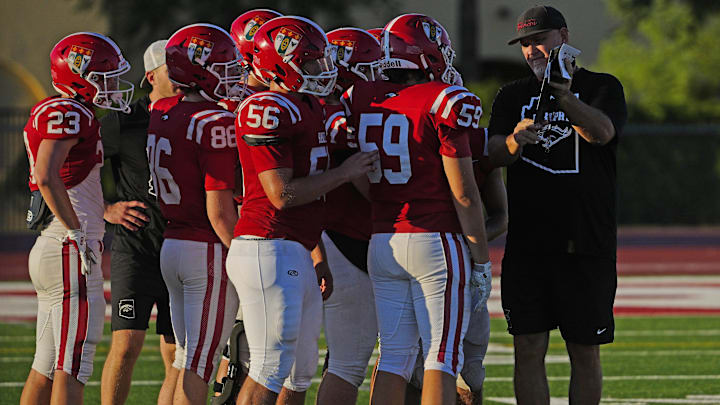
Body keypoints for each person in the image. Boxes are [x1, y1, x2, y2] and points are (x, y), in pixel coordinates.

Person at [342, 13, 492, 405]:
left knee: (394, 355)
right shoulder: (443, 100)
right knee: (441, 356)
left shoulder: (361, 98)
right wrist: (481, 260)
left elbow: (357, 171)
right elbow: (465, 194)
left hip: (383, 239)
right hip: (435, 240)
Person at [228, 15, 378, 405]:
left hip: (295, 246)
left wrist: (318, 254)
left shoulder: (307, 105)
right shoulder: (265, 107)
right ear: (280, 65)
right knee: (268, 366)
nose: (322, 71)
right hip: (267, 244)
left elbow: (311, 200)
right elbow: (282, 194)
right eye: (311, 63)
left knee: (300, 368)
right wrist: (346, 172)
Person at [486, 5, 627, 405]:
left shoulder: (602, 85)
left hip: (586, 242)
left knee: (584, 351)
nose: (532, 50)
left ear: (563, 37)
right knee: (528, 348)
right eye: (526, 44)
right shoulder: (512, 95)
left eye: (540, 41)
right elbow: (493, 154)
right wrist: (514, 140)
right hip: (529, 245)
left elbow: (601, 133)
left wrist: (563, 96)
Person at [19, 32, 133, 405]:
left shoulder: (67, 111)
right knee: (73, 366)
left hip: (59, 246)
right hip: (67, 247)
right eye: (106, 76)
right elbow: (49, 175)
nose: (114, 84)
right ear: (80, 76)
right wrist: (76, 232)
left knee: (47, 366)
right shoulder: (68, 111)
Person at [147, 23, 247, 404]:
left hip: (173, 243)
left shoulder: (163, 112)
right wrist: (244, 257)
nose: (231, 75)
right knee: (200, 364)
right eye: (223, 67)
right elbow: (219, 210)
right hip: (205, 248)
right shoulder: (213, 122)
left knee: (186, 359)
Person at [99, 39, 182, 405]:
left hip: (180, 245)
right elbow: (74, 168)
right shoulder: (123, 121)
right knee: (126, 343)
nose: (180, 77)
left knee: (176, 350)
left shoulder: (192, 115)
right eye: (171, 70)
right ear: (151, 76)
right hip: (135, 246)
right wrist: (106, 208)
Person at [405, 128, 508, 405]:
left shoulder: (480, 142)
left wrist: (468, 245)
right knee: (406, 364)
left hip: (463, 265)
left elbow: (501, 216)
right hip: (414, 262)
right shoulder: (406, 134)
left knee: (471, 375)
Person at [314, 26, 383, 405]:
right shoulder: (342, 114)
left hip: (335, 237)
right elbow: (366, 184)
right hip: (346, 238)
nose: (378, 76)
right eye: (370, 68)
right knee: (348, 364)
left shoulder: (321, 107)